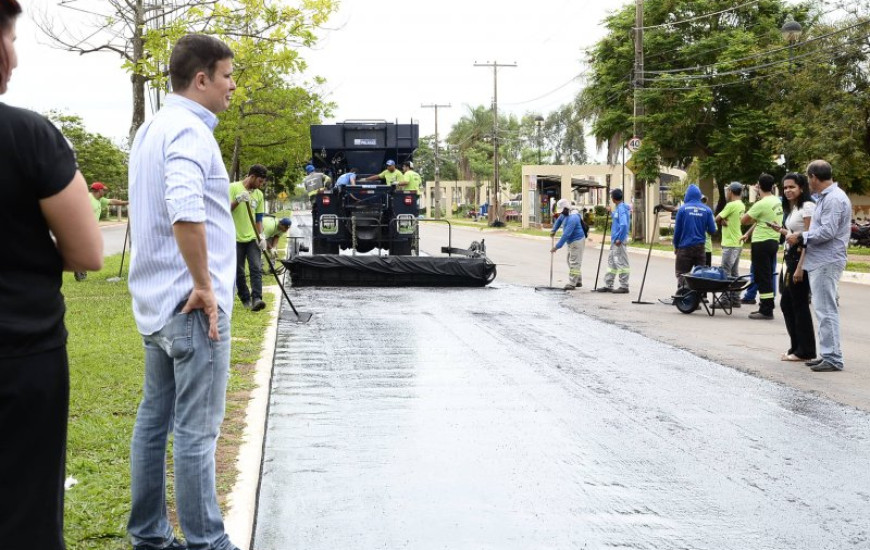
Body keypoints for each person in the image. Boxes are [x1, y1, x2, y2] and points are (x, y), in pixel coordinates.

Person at [127, 33, 242, 550]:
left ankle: (151, 536)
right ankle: (207, 542)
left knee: (154, 422)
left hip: (156, 307)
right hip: (194, 307)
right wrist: (204, 285)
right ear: (201, 80)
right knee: (197, 431)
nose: (232, 86)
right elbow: (185, 209)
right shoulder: (191, 132)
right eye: (227, 75)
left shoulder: (151, 130)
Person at [1, 4, 104, 548]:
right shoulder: (28, 134)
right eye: (12, 38)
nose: (15, 57)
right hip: (20, 357)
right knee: (23, 513)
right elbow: (87, 251)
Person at [786, 160, 852, 372]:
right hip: (822, 259)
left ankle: (833, 358)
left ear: (814, 177)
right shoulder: (826, 197)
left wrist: (801, 236)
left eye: (808, 178)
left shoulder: (833, 199)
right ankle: (828, 354)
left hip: (827, 260)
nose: (809, 182)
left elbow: (828, 231)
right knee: (823, 310)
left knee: (826, 310)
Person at [771, 173, 816, 362]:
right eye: (785, 187)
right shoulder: (794, 207)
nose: (788, 191)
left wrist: (800, 267)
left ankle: (805, 350)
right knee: (787, 303)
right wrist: (781, 231)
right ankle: (796, 347)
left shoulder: (807, 206)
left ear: (802, 188)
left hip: (800, 260)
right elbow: (795, 234)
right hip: (790, 258)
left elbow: (809, 238)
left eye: (792, 187)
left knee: (798, 305)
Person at [740, 173, 783, 320]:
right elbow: (761, 220)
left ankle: (766, 309)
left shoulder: (761, 204)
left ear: (758, 186)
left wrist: (753, 212)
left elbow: (744, 220)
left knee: (762, 276)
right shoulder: (776, 201)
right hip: (773, 241)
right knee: (768, 274)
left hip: (761, 243)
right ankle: (767, 305)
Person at [229, 164, 268, 312]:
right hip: (235, 237)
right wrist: (237, 200)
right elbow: (224, 210)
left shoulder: (259, 195)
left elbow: (258, 219)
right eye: (259, 181)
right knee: (238, 271)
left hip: (252, 237)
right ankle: (245, 298)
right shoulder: (232, 188)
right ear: (252, 177)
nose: (260, 185)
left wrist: (261, 236)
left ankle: (257, 298)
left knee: (256, 268)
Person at [74, 182, 129, 281]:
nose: (105, 191)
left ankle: (81, 269)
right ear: (99, 190)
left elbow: (113, 201)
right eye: (103, 190)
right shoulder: (87, 198)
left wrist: (127, 202)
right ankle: (79, 269)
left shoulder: (100, 200)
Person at [672, 184, 717, 290]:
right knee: (699, 276)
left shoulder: (682, 210)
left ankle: (684, 298)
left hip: (684, 248)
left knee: (682, 273)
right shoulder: (707, 210)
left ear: (687, 196)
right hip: (700, 248)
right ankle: (696, 300)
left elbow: (677, 231)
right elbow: (712, 230)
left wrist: (676, 246)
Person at [715, 182, 746, 306]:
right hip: (738, 242)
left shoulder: (731, 205)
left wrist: (721, 220)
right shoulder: (741, 205)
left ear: (731, 192)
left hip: (730, 244)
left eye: (727, 191)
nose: (726, 193)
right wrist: (723, 220)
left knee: (725, 272)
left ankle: (725, 300)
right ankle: (735, 299)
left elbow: (716, 218)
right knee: (734, 273)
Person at [595, 188, 630, 293]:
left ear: (614, 199)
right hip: (615, 240)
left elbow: (623, 225)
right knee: (612, 263)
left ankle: (624, 286)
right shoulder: (619, 208)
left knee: (621, 262)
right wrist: (611, 212)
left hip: (618, 240)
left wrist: (620, 238)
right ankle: (608, 284)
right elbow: (617, 218)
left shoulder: (622, 208)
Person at [550, 198, 586, 289]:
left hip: (577, 241)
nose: (561, 213)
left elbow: (566, 234)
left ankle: (572, 283)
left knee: (574, 262)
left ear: (566, 208)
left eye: (562, 211)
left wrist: (557, 247)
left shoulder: (573, 217)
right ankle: (578, 280)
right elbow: (558, 221)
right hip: (571, 241)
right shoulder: (565, 214)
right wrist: (554, 230)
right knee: (571, 261)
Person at [701, 195, 713, 266]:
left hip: (707, 248)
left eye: (704, 201)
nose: (703, 203)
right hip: (696, 248)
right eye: (701, 201)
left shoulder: (709, 213)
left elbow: (713, 230)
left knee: (707, 271)